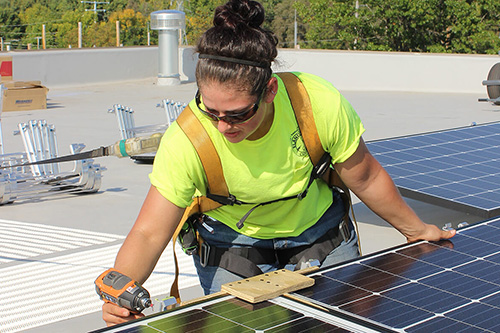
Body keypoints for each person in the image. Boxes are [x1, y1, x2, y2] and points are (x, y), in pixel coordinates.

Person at [102, 0, 455, 326]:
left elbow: (365, 177)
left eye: (238, 114)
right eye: (211, 111)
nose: (223, 127)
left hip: (322, 236)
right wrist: (122, 290)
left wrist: (416, 230)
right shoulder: (188, 140)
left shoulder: (315, 104)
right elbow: (149, 233)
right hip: (233, 249)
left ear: (269, 91)